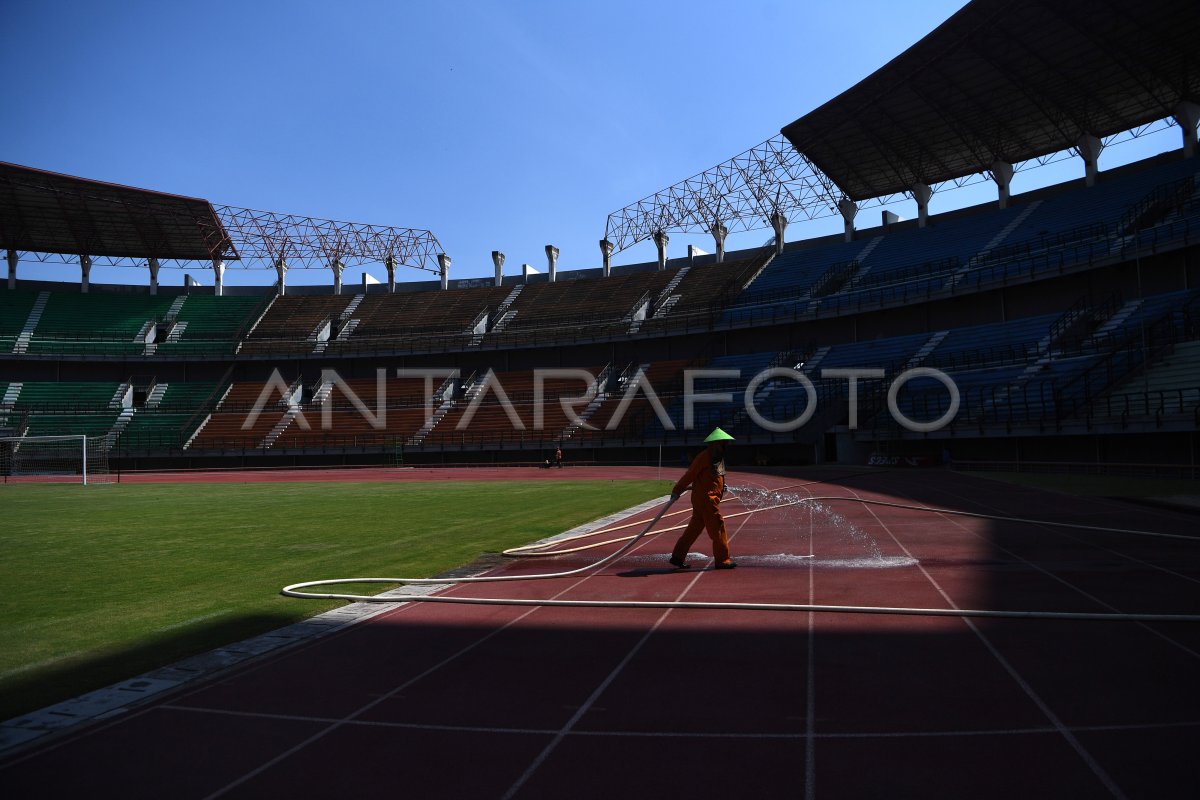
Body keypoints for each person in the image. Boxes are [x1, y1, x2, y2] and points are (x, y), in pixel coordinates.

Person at [668, 427, 736, 570]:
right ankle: (723, 560)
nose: (727, 445)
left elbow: (718, 476)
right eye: (724, 442)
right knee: (718, 526)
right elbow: (690, 474)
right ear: (716, 443)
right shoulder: (704, 456)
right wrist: (677, 490)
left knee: (694, 528)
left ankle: (677, 557)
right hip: (707, 500)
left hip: (706, 499)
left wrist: (723, 485)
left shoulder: (718, 457)